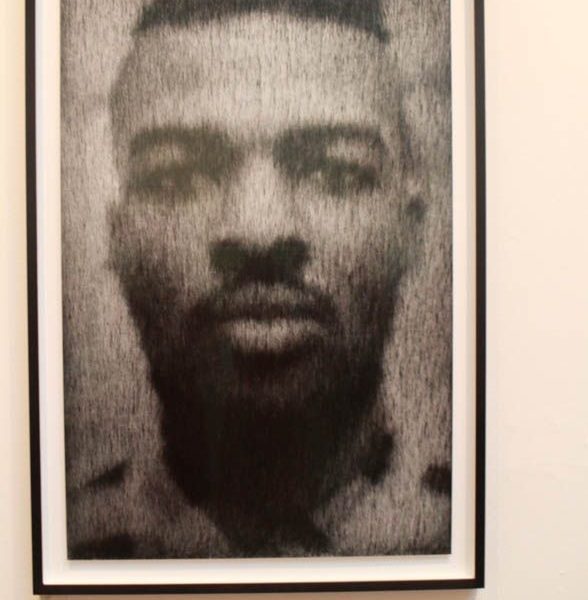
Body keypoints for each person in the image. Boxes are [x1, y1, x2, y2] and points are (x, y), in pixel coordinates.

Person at [68, 0, 451, 559]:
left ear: (411, 229)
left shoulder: (469, 531)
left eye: (336, 172)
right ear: (116, 238)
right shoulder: (69, 542)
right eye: (177, 176)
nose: (259, 230)